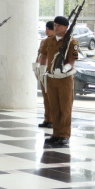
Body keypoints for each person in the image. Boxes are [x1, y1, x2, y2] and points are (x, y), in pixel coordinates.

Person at [37, 15, 80, 146]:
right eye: (54, 25)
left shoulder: (72, 42)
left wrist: (64, 68)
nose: (55, 27)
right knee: (54, 108)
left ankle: (64, 135)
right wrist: (42, 71)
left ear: (66, 27)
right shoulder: (48, 41)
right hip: (51, 78)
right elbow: (43, 56)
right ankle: (56, 134)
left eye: (58, 25)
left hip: (65, 79)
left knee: (65, 108)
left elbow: (72, 61)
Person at [35, 21, 55, 129]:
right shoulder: (43, 41)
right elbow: (39, 55)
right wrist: (37, 68)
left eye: (49, 29)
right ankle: (47, 118)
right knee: (45, 98)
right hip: (43, 71)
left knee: (51, 98)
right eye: (46, 28)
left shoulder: (55, 42)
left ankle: (52, 119)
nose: (46, 31)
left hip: (50, 71)